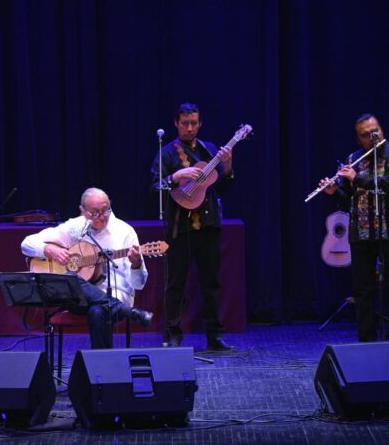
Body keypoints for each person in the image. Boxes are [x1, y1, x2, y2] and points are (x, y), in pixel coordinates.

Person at [21, 187, 153, 349]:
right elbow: (26, 244)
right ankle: (128, 312)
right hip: (76, 298)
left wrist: (136, 263)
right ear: (82, 210)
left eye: (105, 211)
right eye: (94, 212)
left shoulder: (125, 232)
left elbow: (139, 284)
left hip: (115, 293)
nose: (101, 217)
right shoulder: (74, 227)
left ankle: (100, 368)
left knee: (98, 311)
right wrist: (50, 250)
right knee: (72, 278)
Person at [320, 113, 389, 342]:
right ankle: (366, 340)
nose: (373, 137)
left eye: (376, 131)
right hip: (362, 232)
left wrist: (356, 178)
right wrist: (335, 192)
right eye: (366, 135)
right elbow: (352, 199)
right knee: (363, 291)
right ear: (358, 139)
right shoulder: (354, 158)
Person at [151, 102, 235, 350]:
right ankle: (172, 335)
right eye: (185, 123)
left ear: (200, 124)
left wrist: (228, 166)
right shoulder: (166, 153)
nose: (190, 128)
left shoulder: (210, 151)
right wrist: (174, 178)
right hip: (179, 228)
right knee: (176, 283)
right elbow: (155, 187)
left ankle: (215, 336)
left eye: (194, 123)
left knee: (212, 283)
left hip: (208, 226)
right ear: (176, 123)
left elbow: (223, 186)